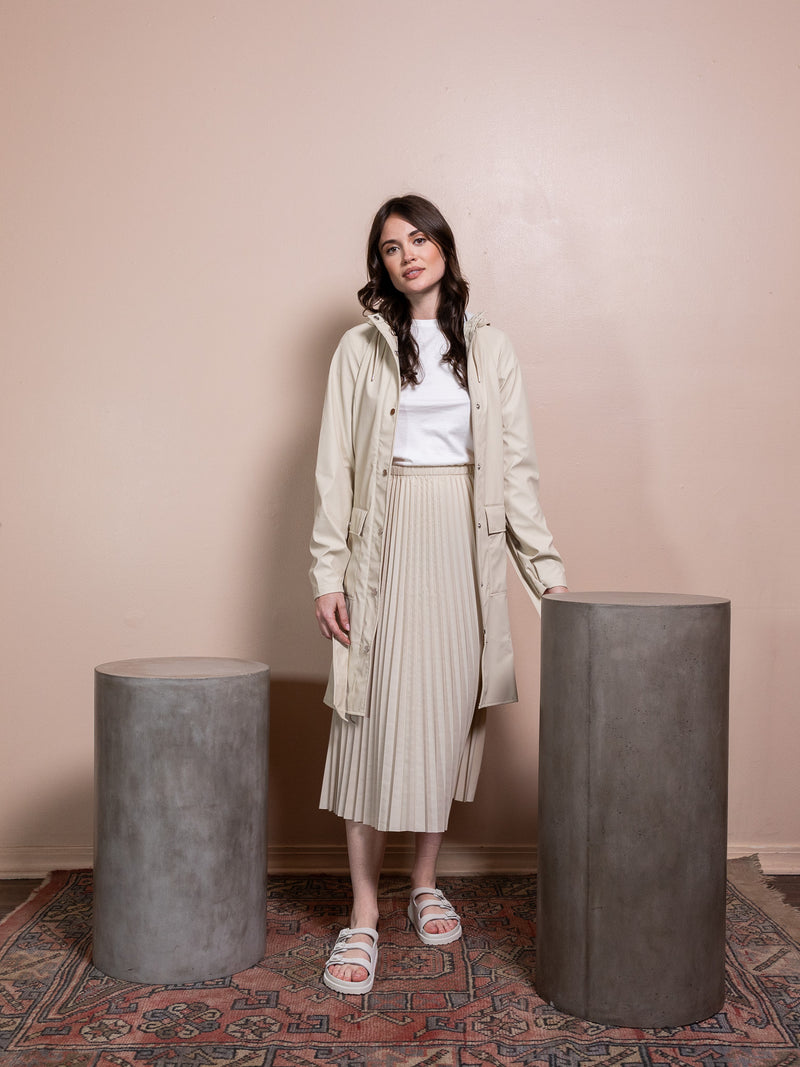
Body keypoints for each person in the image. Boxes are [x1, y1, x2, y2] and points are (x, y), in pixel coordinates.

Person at [310, 194, 567, 995]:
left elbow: (515, 468)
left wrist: (546, 572)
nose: (407, 255)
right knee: (368, 720)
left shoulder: (491, 348)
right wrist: (329, 571)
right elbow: (334, 468)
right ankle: (361, 909)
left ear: (444, 248)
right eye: (391, 247)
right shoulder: (359, 348)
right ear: (380, 265)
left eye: (419, 239)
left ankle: (423, 881)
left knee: (446, 714)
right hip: (383, 540)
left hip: (464, 544)